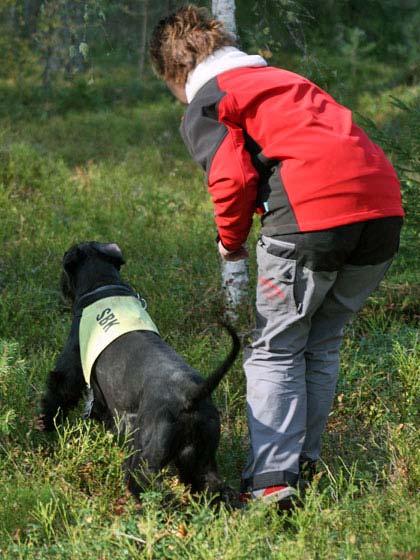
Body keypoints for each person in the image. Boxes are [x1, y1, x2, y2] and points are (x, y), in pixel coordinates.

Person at [149, 5, 404, 508]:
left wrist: (231, 242)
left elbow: (232, 179)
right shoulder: (285, 78)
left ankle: (271, 483)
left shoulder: (208, 99)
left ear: (174, 73)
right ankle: (302, 464)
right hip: (382, 211)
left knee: (274, 347)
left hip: (311, 218)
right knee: (321, 341)